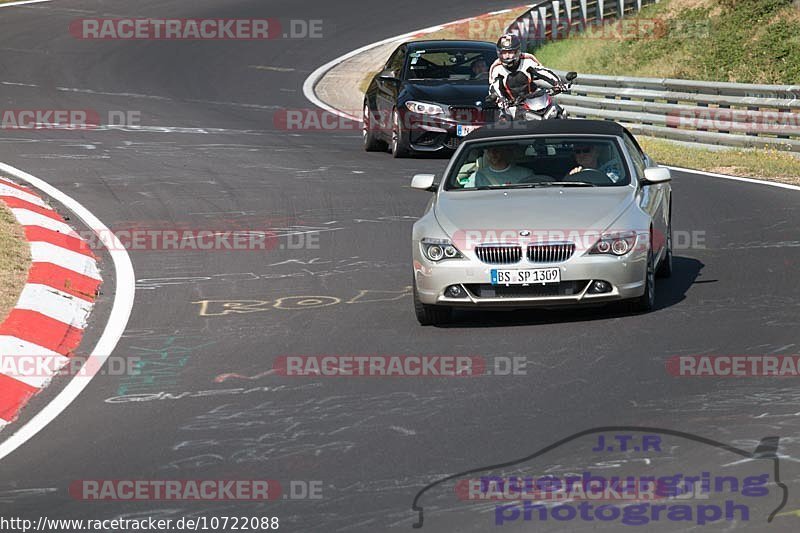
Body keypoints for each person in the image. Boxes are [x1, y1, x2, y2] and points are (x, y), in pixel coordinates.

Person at [489, 33, 563, 105]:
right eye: (504, 53)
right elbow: (494, 86)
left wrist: (557, 82)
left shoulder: (527, 60)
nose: (507, 56)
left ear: (517, 52)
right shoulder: (496, 67)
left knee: (556, 109)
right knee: (505, 117)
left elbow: (542, 71)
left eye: (510, 52)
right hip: (512, 105)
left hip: (534, 101)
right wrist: (500, 98)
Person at [462, 146, 532, 188]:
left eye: (496, 150)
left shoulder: (526, 174)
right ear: (485, 153)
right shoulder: (476, 177)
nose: (492, 153)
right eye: (489, 150)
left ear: (504, 151)